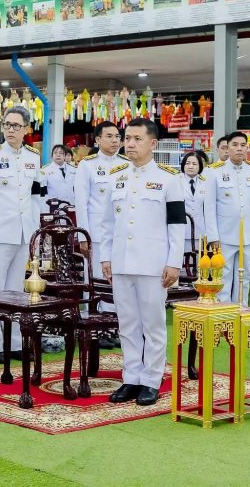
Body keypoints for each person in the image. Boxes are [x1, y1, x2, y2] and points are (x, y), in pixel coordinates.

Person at [100, 118, 185, 406]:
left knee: (153, 325)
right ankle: (131, 377)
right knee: (127, 324)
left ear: (153, 143)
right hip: (122, 262)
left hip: (153, 265)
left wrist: (174, 262)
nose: (130, 144)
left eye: (137, 139)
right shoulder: (116, 177)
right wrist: (106, 257)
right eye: (127, 138)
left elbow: (177, 225)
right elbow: (107, 223)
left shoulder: (169, 179)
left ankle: (151, 380)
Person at [0, 106, 45, 363]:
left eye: (16, 125)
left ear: (26, 129)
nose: (11, 129)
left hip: (24, 233)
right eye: (7, 124)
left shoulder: (33, 156)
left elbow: (36, 197)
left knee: (16, 290)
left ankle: (14, 342)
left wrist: (36, 233)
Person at [203, 131, 250, 305]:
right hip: (224, 235)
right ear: (227, 148)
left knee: (244, 275)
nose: (239, 149)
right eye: (235, 145)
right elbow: (209, 207)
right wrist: (213, 236)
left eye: (243, 145)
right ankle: (224, 311)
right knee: (223, 274)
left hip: (248, 234)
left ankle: (241, 308)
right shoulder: (214, 171)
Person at [75, 121, 123, 281]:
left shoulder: (127, 164)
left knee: (120, 282)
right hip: (97, 235)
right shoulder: (87, 165)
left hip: (122, 233)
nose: (114, 140)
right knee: (96, 280)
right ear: (97, 139)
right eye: (109, 136)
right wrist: (83, 237)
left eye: (117, 136)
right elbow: (81, 204)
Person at [180, 150, 208, 253]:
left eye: (194, 164)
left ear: (200, 166)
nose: (190, 166)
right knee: (182, 260)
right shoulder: (176, 181)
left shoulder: (205, 183)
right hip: (181, 230)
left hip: (200, 231)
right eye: (187, 163)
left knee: (198, 260)